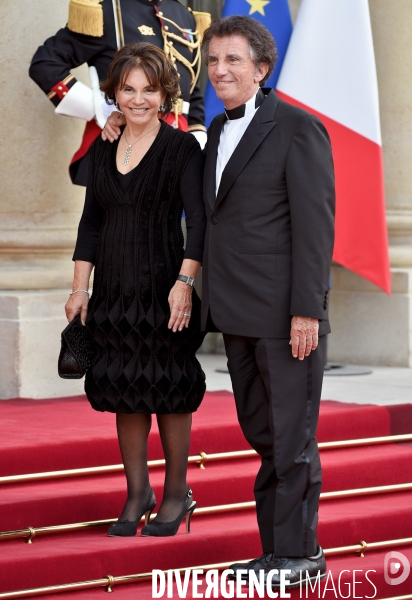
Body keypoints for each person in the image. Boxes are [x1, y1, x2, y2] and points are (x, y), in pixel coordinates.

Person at [201, 16, 335, 588]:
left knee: (293, 439)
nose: (220, 70)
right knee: (264, 435)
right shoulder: (213, 130)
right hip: (236, 316)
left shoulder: (298, 128)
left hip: (287, 318)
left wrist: (308, 308)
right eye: (213, 61)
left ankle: (300, 555)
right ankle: (275, 553)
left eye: (233, 60)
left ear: (261, 69)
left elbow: (314, 227)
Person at [65, 41, 206, 538]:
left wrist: (185, 282)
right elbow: (91, 223)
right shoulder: (104, 146)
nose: (139, 99)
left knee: (168, 387)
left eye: (149, 89)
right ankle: (137, 492)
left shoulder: (182, 149)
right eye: (129, 88)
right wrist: (80, 287)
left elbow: (200, 224)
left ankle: (174, 494)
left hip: (166, 289)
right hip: (114, 292)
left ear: (166, 94)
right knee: (126, 388)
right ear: (115, 93)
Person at [29, 0, 209, 186]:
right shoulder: (108, 9)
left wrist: (197, 142)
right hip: (120, 144)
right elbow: (46, 65)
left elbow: (189, 86)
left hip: (174, 146)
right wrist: (101, 109)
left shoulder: (183, 14)